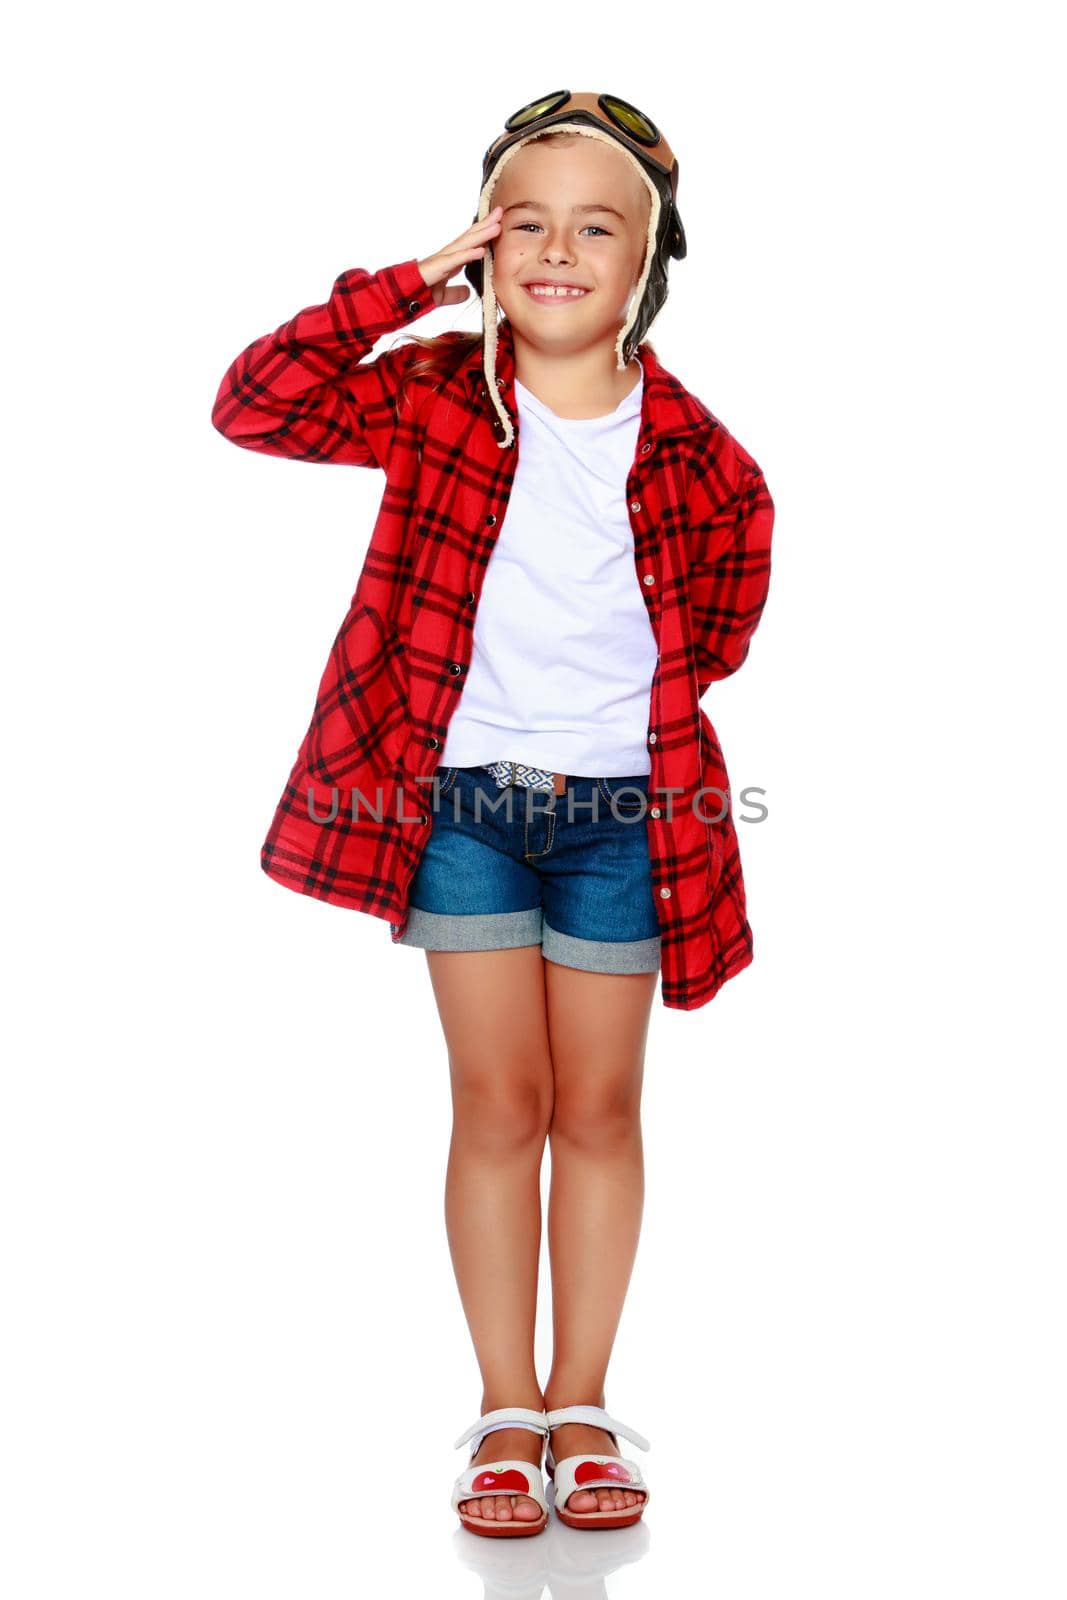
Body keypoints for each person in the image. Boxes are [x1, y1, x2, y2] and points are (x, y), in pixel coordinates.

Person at [212, 92, 774, 1537]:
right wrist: (409, 283)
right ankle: (504, 1410)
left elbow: (722, 610)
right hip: (458, 804)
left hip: (623, 819)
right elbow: (255, 401)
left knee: (599, 1107)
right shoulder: (432, 396)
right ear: (484, 245)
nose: (558, 250)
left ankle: (584, 1408)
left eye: (600, 226)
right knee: (498, 1103)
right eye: (524, 221)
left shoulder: (699, 453)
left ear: (654, 259)